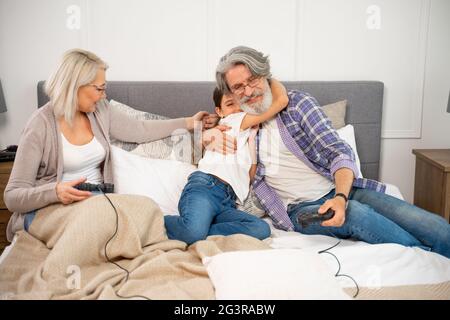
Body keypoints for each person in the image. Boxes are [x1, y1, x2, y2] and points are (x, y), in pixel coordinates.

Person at [215, 46, 450, 259]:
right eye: (238, 87)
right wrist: (208, 134)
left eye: (253, 79)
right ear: (231, 95)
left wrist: (340, 197)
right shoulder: (236, 126)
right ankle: (428, 260)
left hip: (342, 190)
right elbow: (197, 132)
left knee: (436, 228)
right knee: (357, 215)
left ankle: (434, 254)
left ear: (265, 75)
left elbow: (337, 152)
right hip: (300, 210)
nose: (247, 91)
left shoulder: (297, 105)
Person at [3, 48, 219, 242]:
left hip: (97, 201)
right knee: (100, 226)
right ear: (74, 86)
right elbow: (12, 197)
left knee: (146, 211)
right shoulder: (39, 125)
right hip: (54, 208)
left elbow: (140, 130)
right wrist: (55, 192)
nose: (104, 95)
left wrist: (189, 122)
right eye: (100, 88)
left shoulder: (100, 110)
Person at [164, 79, 289, 244]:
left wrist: (251, 142)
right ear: (220, 111)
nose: (237, 109)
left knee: (261, 229)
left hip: (228, 200)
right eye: (230, 104)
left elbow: (250, 177)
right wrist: (267, 78)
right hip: (206, 187)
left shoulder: (248, 134)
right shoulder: (233, 121)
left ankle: (202, 230)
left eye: (241, 103)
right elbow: (281, 101)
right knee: (192, 233)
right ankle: (155, 220)